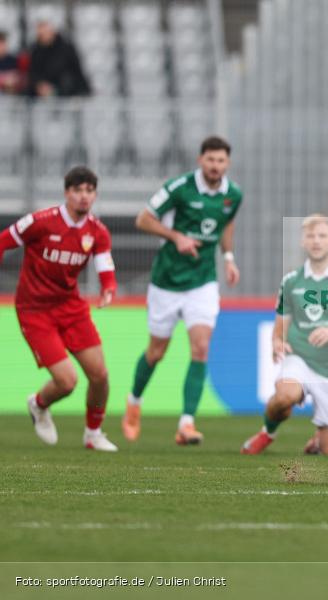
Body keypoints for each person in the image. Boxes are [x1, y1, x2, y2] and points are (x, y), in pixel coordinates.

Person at [125, 136, 242, 445]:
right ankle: (134, 402)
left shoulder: (233, 194)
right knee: (156, 352)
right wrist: (176, 236)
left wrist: (228, 258)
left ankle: (186, 423)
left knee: (201, 348)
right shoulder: (179, 187)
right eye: (210, 160)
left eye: (221, 161)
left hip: (203, 281)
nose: (215, 166)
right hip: (167, 281)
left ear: (227, 163)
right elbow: (143, 219)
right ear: (200, 160)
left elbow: (227, 223)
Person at [241, 214, 328, 455]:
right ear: (303, 242)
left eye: (322, 235)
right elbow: (280, 328)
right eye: (310, 236)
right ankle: (267, 433)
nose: (316, 241)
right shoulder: (291, 281)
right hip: (301, 358)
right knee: (284, 397)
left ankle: (318, 440)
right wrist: (276, 342)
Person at [0, 167, 117, 451]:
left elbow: (105, 265)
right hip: (35, 310)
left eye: (89, 191)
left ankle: (93, 434)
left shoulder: (97, 231)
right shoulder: (40, 222)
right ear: (67, 193)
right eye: (78, 190)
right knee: (67, 382)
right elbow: (3, 241)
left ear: (95, 195)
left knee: (100, 376)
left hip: (70, 307)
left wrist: (108, 288)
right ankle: (38, 405)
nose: (83, 197)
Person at [26, 20, 90, 97]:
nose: (43, 36)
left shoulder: (66, 49)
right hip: (42, 91)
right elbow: (33, 72)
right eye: (41, 34)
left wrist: (53, 88)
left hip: (66, 90)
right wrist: (39, 85)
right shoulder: (35, 50)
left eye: (45, 32)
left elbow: (74, 72)